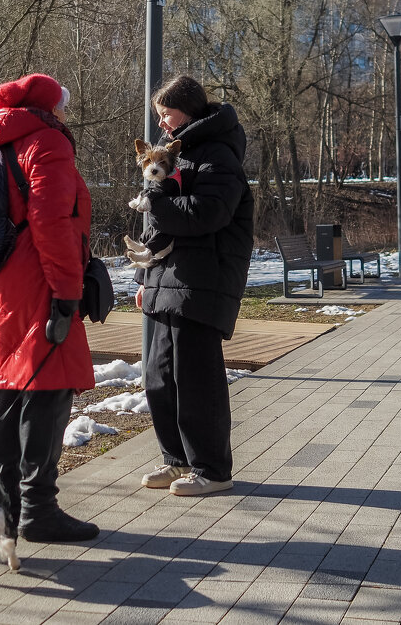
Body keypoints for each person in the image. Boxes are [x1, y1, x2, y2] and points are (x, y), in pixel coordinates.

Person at [0, 73, 99, 542]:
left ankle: (2, 507)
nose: (67, 113)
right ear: (49, 107)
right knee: (49, 386)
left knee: (8, 390)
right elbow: (51, 221)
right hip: (38, 281)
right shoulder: (46, 142)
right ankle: (39, 511)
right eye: (63, 104)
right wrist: (68, 289)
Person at [133, 75, 254, 496]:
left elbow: (208, 213)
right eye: (159, 115)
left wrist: (158, 199)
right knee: (160, 376)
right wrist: (144, 277)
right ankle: (178, 460)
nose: (162, 123)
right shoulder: (174, 155)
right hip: (168, 279)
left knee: (196, 378)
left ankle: (212, 469)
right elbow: (155, 226)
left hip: (205, 280)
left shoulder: (218, 153)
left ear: (191, 109)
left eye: (167, 113)